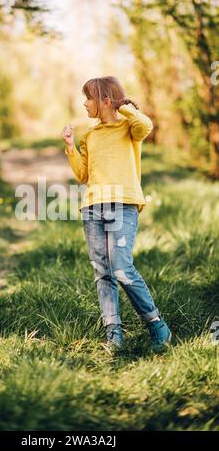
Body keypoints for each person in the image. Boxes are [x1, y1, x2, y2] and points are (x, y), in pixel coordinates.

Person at [61, 76, 172, 353]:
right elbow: (82, 175)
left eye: (89, 98)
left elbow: (145, 124)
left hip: (123, 204)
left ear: (105, 101)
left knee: (122, 268)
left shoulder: (129, 127)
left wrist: (123, 106)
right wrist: (71, 146)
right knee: (103, 272)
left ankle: (157, 325)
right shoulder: (91, 135)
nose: (84, 103)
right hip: (93, 207)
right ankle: (113, 332)